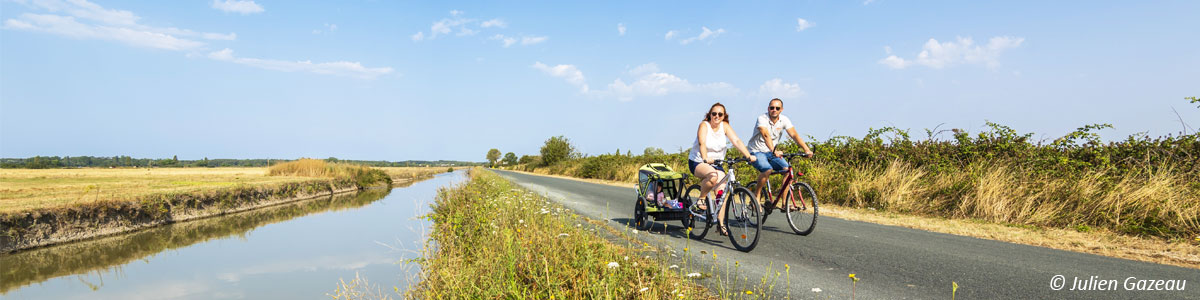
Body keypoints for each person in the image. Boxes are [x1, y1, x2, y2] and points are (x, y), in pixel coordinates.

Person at [688, 102, 756, 236]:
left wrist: (748, 155)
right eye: (714, 114)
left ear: (724, 116)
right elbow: (702, 142)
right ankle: (701, 199)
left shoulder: (725, 126)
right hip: (699, 161)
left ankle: (721, 224)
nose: (717, 116)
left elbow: (736, 141)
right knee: (712, 176)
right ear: (710, 114)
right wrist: (705, 157)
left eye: (720, 114)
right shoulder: (704, 125)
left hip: (717, 162)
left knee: (722, 191)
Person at [747, 98, 814, 210]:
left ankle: (784, 204)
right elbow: (765, 135)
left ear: (781, 109)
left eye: (777, 108)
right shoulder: (762, 119)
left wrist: (806, 149)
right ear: (768, 108)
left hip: (771, 152)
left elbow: (794, 135)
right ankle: (757, 196)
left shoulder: (784, 120)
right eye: (772, 107)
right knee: (767, 169)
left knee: (787, 170)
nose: (774, 110)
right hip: (757, 151)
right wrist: (774, 150)